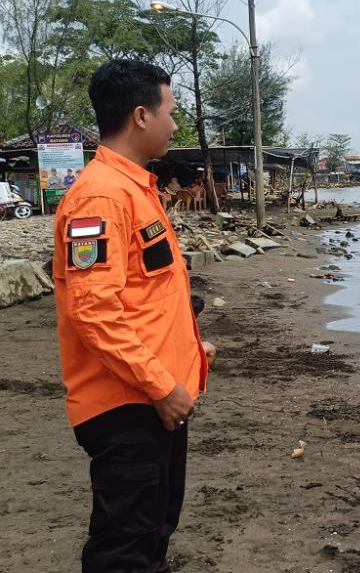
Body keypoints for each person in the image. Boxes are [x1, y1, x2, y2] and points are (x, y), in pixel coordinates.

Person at [53, 59, 211, 571]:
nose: (176, 123)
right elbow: (93, 311)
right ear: (141, 116)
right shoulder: (100, 196)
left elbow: (145, 296)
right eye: (171, 111)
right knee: (124, 550)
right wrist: (162, 388)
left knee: (152, 533)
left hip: (156, 397)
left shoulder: (136, 188)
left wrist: (187, 351)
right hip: (129, 405)